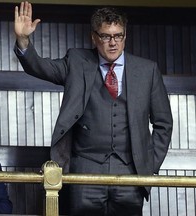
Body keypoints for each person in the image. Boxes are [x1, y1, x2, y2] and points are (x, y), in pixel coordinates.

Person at [14, 2, 173, 216]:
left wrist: (149, 165)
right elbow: (39, 66)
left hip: (131, 170)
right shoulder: (77, 61)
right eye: (106, 36)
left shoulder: (147, 70)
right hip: (85, 169)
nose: (113, 43)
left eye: (118, 36)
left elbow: (163, 123)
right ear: (94, 37)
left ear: (125, 36)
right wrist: (23, 40)